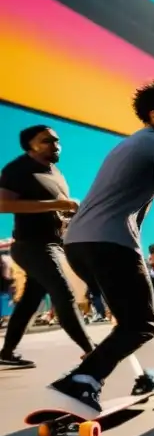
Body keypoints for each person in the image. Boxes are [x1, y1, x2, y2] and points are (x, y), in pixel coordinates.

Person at [49, 77, 154, 414]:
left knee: (126, 319)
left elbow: (137, 210)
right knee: (143, 323)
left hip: (79, 244)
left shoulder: (129, 145)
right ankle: (82, 381)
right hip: (108, 243)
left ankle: (139, 377)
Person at [0, 125, 94, 367]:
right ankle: (90, 351)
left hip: (52, 243)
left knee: (30, 301)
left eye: (57, 140)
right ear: (30, 145)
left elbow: (57, 209)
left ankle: (6, 353)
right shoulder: (17, 169)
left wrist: (67, 217)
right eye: (47, 141)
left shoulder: (55, 172)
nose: (55, 145)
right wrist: (56, 204)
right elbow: (4, 205)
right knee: (63, 292)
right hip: (31, 245)